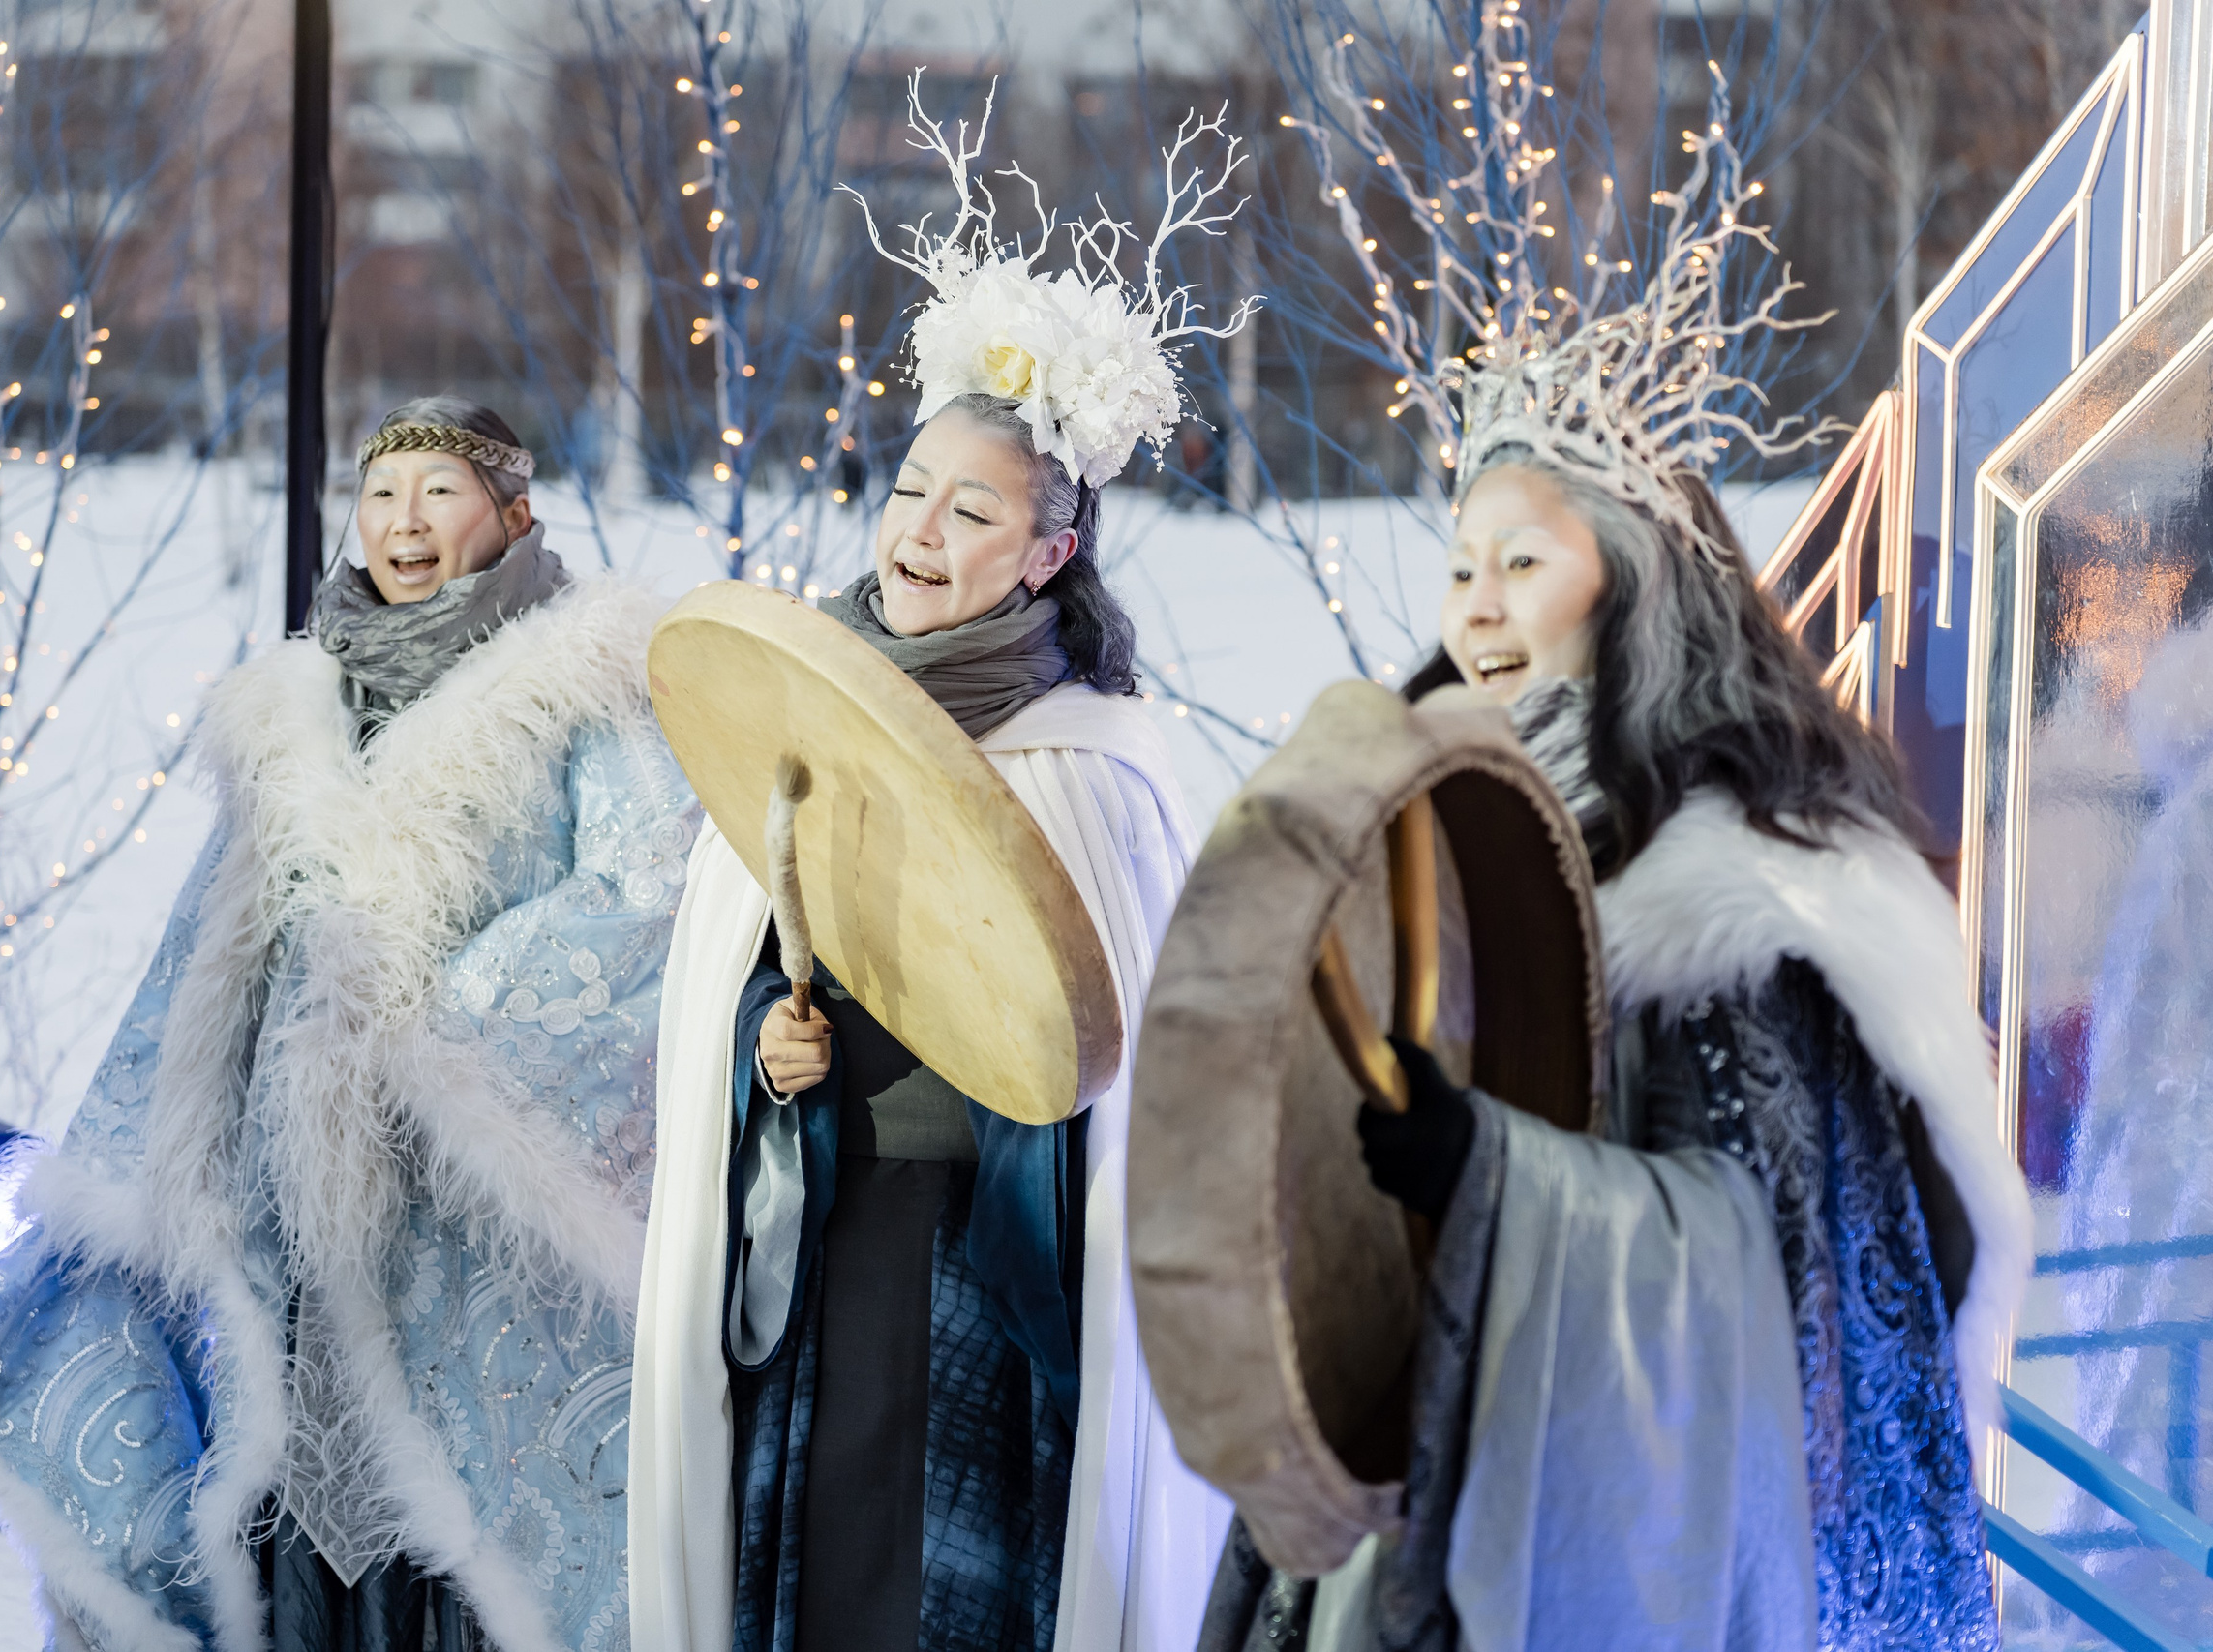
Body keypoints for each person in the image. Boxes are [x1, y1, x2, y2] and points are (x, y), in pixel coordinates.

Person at [1196, 56, 2031, 1652]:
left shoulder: (1738, 887)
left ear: (1637, 579)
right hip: (1409, 1472)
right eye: (1460, 566)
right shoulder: (1407, 834)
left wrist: (1492, 1180)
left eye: (1527, 559)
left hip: (1638, 1542)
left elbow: (1761, 1261)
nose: (1481, 607)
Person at [0, 397, 700, 1652]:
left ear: (513, 513)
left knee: (477, 1541)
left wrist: (437, 1030)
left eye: (440, 492)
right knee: (307, 1519)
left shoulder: (590, 688)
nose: (405, 522)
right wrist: (129, 1165)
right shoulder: (292, 711)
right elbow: (204, 953)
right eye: (382, 497)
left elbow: (646, 894)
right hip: (299, 1222)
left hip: (478, 1209)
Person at [629, 76, 1242, 1652]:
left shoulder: (1096, 764)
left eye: (973, 510)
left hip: (999, 1277)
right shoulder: (797, 712)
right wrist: (771, 1057)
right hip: (825, 1252)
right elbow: (738, 981)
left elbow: (1138, 1073)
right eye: (908, 490)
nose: (918, 529)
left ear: (1047, 552)